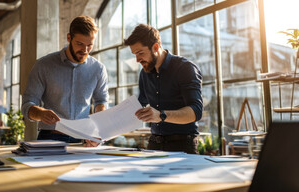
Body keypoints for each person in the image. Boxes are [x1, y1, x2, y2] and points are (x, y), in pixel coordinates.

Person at [21, 16, 109, 146]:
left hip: (84, 139)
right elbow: (27, 105)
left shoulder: (98, 69)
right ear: (69, 38)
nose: (84, 51)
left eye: (89, 45)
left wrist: (99, 129)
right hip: (49, 137)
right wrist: (40, 113)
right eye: (80, 44)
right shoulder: (43, 65)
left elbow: (101, 101)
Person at [124, 24, 203, 154]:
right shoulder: (145, 73)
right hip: (154, 144)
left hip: (183, 145)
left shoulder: (185, 68)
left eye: (140, 53)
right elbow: (138, 106)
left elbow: (196, 111)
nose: (137, 60)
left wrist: (161, 115)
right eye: (134, 54)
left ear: (155, 47)